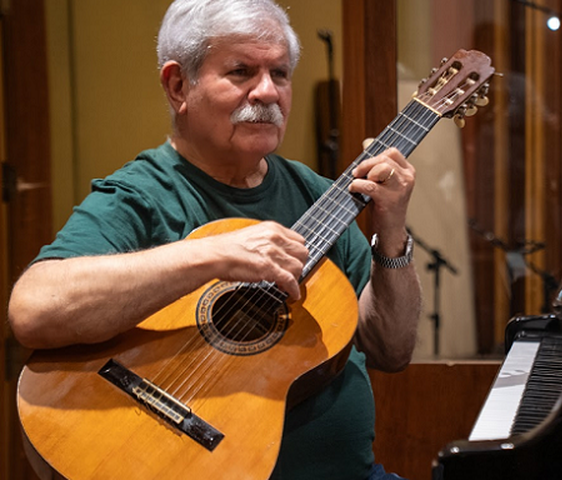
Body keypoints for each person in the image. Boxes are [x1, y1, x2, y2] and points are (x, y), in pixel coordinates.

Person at [8, 0, 421, 478]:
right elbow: (33, 309)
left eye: (280, 74)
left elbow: (392, 350)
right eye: (242, 71)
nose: (267, 92)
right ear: (178, 84)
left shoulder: (319, 198)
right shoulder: (140, 194)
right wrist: (209, 255)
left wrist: (392, 234)